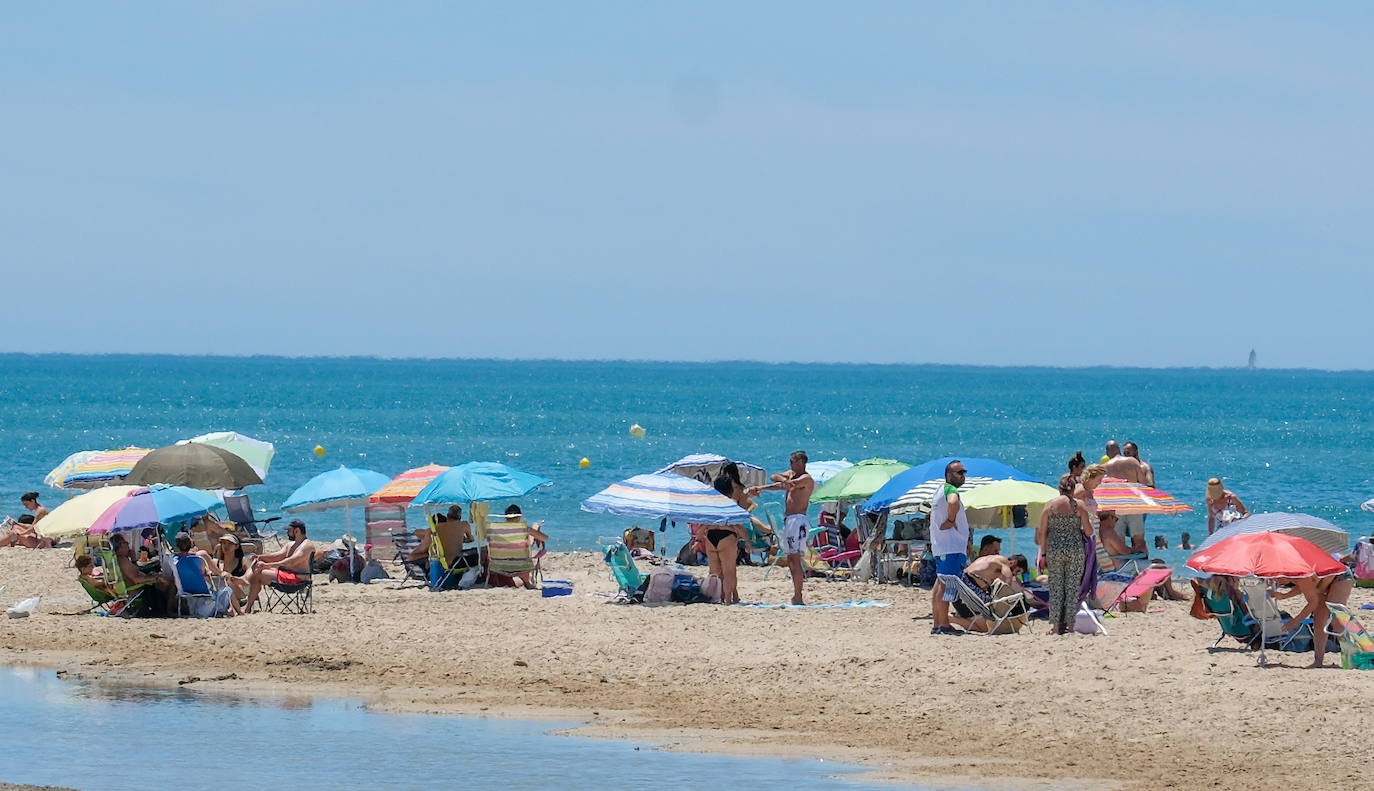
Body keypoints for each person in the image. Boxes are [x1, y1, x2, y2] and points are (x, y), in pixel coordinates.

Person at [749, 450, 814, 606]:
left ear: (800, 462)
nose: (790, 464)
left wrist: (762, 487)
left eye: (792, 461)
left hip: (798, 520)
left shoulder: (806, 479)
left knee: (795, 559)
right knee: (791, 559)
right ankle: (796, 595)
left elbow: (789, 485)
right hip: (790, 520)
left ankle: (798, 596)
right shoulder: (792, 475)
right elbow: (774, 477)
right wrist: (785, 478)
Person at [1038, 473, 1094, 635]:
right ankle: (1070, 626)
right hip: (1075, 550)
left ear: (1059, 488)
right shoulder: (1080, 505)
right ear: (1073, 489)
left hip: (1055, 550)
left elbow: (1042, 532)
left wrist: (1043, 554)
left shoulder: (1049, 506)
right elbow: (1089, 531)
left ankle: (1056, 627)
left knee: (1056, 588)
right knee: (1072, 587)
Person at [1271, 572, 1353, 668]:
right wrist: (1284, 596)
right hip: (1322, 583)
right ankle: (1318, 661)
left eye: (1278, 578)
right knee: (1318, 621)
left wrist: (1295, 621)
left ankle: (1351, 657)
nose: (1277, 581)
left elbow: (1312, 602)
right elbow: (1306, 587)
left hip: (1340, 576)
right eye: (1275, 578)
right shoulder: (1294, 576)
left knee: (1336, 618)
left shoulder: (1299, 574)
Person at [927, 460, 971, 635]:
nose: (963, 476)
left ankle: (938, 623)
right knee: (946, 585)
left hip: (942, 545)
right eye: (959, 473)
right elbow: (953, 502)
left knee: (940, 583)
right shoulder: (951, 491)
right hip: (951, 546)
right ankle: (943, 624)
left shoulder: (939, 490)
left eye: (963, 472)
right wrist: (952, 520)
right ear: (948, 475)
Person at [243, 519, 316, 612]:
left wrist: (267, 566)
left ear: (297, 531)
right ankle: (245, 591)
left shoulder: (306, 546)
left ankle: (246, 600)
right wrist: (260, 557)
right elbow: (277, 556)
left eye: (289, 530)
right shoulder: (291, 544)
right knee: (257, 567)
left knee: (258, 574)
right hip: (286, 575)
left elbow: (290, 562)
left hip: (298, 579)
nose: (287, 533)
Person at [706, 475, 745, 604]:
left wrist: (698, 537)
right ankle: (728, 599)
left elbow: (705, 523)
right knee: (729, 570)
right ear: (730, 489)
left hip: (710, 536)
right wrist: (747, 539)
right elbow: (736, 524)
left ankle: (719, 597)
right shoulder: (731, 503)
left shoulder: (710, 503)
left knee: (715, 571)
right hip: (726, 535)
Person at [1104, 449, 1148, 553]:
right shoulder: (1132, 462)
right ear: (1119, 450)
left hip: (1116, 507)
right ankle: (1144, 564)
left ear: (1107, 453)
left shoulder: (1105, 466)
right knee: (1139, 540)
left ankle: (1125, 566)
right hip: (1134, 505)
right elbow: (1143, 484)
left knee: (1119, 541)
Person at [495, 504, 548, 589]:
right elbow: (545, 538)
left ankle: (536, 530)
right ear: (519, 517)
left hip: (500, 567)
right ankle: (527, 582)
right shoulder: (524, 529)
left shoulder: (498, 531)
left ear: (506, 517)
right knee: (535, 529)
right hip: (519, 565)